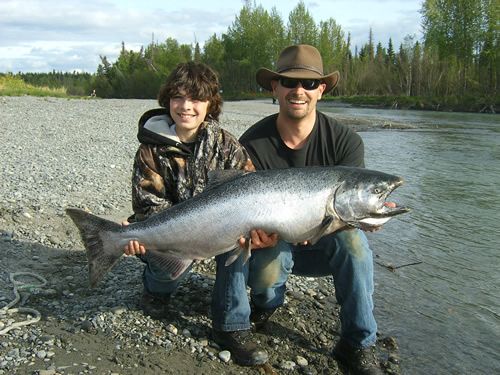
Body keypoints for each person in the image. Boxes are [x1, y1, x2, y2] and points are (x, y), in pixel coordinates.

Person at [211, 44, 386, 374]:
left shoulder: (346, 142)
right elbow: (236, 207)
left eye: (308, 84)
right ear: (275, 88)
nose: (298, 91)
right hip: (275, 243)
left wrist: (365, 217)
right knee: (235, 232)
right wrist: (253, 236)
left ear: (321, 90)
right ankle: (246, 314)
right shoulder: (253, 143)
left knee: (356, 245)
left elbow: (350, 205)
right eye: (289, 82)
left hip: (324, 245)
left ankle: (358, 343)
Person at [122, 62, 255, 325]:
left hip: (224, 230)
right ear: (167, 101)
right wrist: (141, 233)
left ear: (210, 104)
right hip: (171, 233)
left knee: (241, 243)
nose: (186, 107)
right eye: (178, 98)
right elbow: (149, 205)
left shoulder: (227, 146)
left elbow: (250, 191)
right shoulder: (150, 150)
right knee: (166, 273)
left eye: (195, 99)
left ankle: (232, 325)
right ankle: (156, 292)